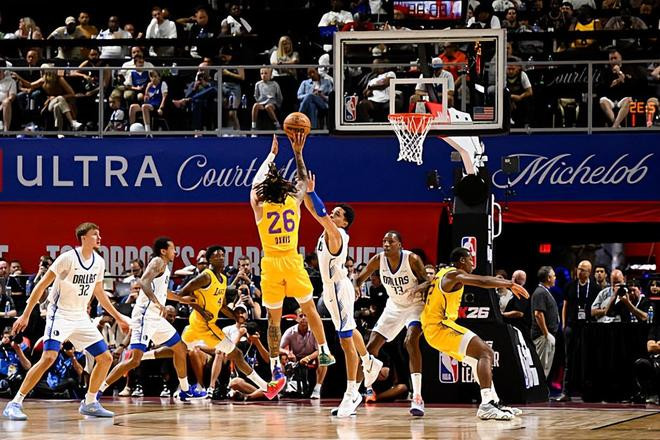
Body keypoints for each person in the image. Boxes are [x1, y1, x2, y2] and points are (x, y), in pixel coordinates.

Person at [3, 222, 130, 420]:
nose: (99, 238)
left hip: (80, 316)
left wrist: (119, 317)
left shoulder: (98, 262)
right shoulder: (67, 258)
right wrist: (26, 314)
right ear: (84, 238)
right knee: (49, 358)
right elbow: (41, 286)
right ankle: (15, 403)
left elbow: (99, 292)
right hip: (59, 314)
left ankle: (90, 403)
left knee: (105, 358)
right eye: (95, 234)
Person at [250, 134, 335, 387]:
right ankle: (323, 350)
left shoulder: (260, 206)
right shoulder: (292, 201)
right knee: (309, 309)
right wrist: (298, 151)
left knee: (273, 320)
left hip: (271, 264)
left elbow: (255, 184)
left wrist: (271, 156)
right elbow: (303, 181)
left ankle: (275, 367)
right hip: (292, 261)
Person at [302, 172, 383, 417]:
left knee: (345, 339)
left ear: (345, 223)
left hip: (338, 288)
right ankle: (369, 361)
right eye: (333, 212)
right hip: (330, 289)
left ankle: (352, 393)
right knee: (349, 329)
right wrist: (305, 189)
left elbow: (320, 211)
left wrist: (312, 192)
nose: (332, 214)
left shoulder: (337, 235)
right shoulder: (328, 230)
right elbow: (313, 210)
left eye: (337, 214)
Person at [420, 247, 527, 420]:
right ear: (462, 261)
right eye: (470, 259)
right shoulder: (454, 274)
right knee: (486, 352)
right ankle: (486, 405)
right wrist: (509, 284)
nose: (472, 263)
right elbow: (482, 281)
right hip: (440, 327)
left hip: (434, 328)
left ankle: (494, 402)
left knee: (476, 360)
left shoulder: (442, 273)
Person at [98, 237, 206, 401]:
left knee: (180, 348)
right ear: (163, 251)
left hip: (156, 316)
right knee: (134, 361)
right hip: (145, 315)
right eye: (173, 248)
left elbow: (163, 292)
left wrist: (181, 299)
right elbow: (143, 282)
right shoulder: (157, 261)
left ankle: (185, 390)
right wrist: (156, 301)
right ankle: (98, 391)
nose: (175, 252)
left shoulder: (164, 267)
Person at [176, 245, 282, 399]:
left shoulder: (223, 279)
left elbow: (223, 306)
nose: (220, 258)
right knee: (237, 354)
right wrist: (199, 308)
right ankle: (267, 387)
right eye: (216, 255)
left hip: (198, 324)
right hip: (203, 324)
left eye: (222, 255)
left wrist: (235, 316)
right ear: (209, 259)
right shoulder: (205, 276)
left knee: (176, 350)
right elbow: (181, 294)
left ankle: (141, 355)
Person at [354, 231, 429, 416]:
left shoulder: (412, 259)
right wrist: (356, 286)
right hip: (394, 306)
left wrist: (419, 287)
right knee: (370, 348)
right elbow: (359, 278)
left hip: (414, 306)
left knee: (410, 341)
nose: (386, 244)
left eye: (390, 241)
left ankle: (417, 397)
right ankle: (353, 395)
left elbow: (428, 282)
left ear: (400, 245)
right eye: (384, 241)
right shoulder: (378, 260)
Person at [531, 266, 560, 378]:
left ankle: (542, 388)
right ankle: (539, 389)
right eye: (553, 276)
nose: (555, 278)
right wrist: (546, 333)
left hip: (546, 336)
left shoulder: (545, 291)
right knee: (541, 367)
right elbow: (538, 314)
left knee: (545, 368)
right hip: (542, 337)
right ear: (548, 278)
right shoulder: (540, 293)